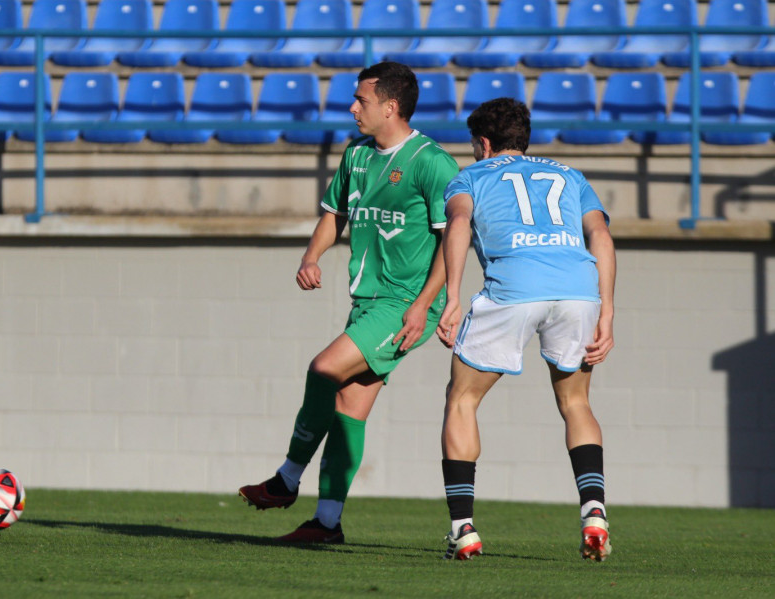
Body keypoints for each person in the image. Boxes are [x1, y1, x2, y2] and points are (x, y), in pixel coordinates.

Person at [238, 62, 459, 543]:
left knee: (323, 368)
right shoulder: (357, 155)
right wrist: (311, 256)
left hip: (405, 303)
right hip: (367, 300)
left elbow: (452, 242)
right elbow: (332, 214)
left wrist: (425, 306)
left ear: (390, 107)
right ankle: (327, 523)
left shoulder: (431, 161)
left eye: (361, 100)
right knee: (348, 409)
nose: (352, 107)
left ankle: (287, 477)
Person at [437, 98, 616, 562]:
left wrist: (452, 295)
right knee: (576, 402)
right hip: (579, 291)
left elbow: (457, 222)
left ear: (484, 143)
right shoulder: (570, 176)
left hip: (514, 287)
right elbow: (601, 237)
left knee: (462, 398)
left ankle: (463, 528)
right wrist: (608, 311)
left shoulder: (471, 176)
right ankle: (594, 513)